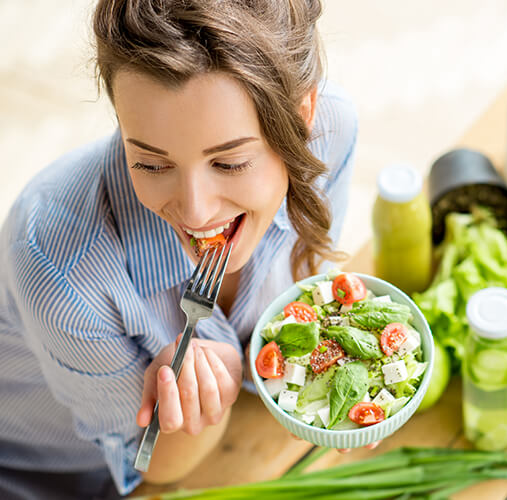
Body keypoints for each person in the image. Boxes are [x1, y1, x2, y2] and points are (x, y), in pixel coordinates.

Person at [0, 0, 361, 498]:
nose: (193, 212)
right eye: (149, 163)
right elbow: (150, 468)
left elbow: (301, 308)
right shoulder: (56, 264)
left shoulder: (331, 133)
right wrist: (209, 395)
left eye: (230, 163)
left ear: (302, 120)